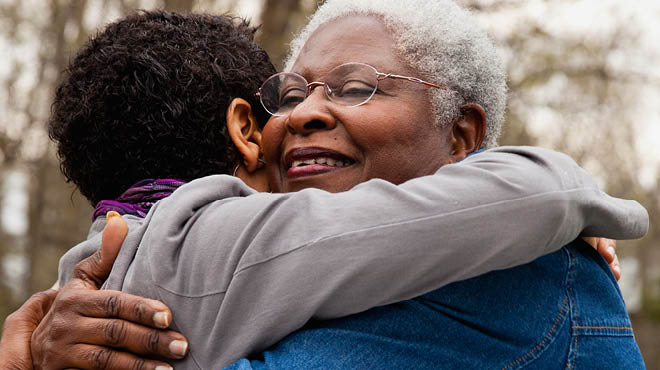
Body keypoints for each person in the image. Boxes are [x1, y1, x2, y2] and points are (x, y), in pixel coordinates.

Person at [0, 2, 647, 370]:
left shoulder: (519, 275)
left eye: (355, 86)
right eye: (291, 93)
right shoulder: (246, 259)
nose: (304, 112)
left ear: (461, 137)